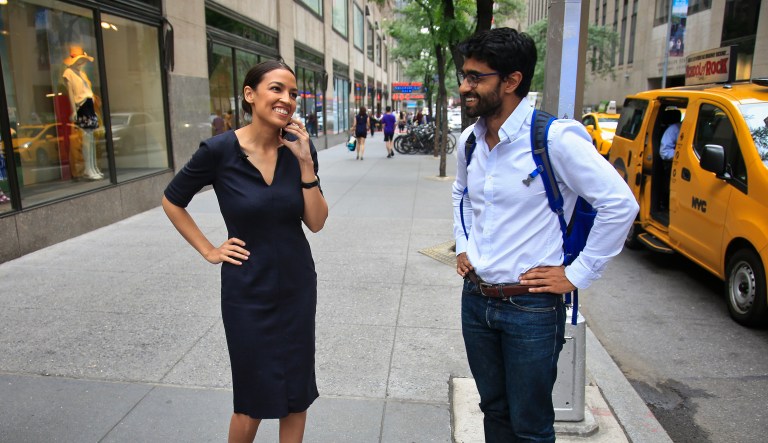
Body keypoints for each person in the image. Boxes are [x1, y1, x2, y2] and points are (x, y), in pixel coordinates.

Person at [451, 28, 638, 443]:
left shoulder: (555, 138)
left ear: (512, 81)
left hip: (531, 309)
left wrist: (577, 274)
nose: (465, 86)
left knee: (531, 425)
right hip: (476, 300)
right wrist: (463, 246)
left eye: (476, 77)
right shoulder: (469, 141)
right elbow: (461, 194)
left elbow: (620, 205)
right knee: (494, 412)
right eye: (464, 75)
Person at [162, 60, 328, 443]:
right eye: (276, 89)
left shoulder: (299, 148)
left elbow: (316, 222)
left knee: (297, 394)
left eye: (292, 93)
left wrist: (305, 162)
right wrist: (208, 249)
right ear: (250, 95)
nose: (286, 99)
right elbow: (173, 200)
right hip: (246, 291)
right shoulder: (219, 151)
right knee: (251, 399)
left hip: (296, 285)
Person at [62, 45, 103, 181]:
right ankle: (88, 168)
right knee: (86, 139)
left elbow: (89, 92)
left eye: (83, 61)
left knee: (91, 140)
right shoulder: (68, 73)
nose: (81, 63)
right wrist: (73, 110)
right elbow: (70, 93)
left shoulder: (82, 74)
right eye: (80, 61)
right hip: (82, 106)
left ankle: (92, 166)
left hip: (89, 106)